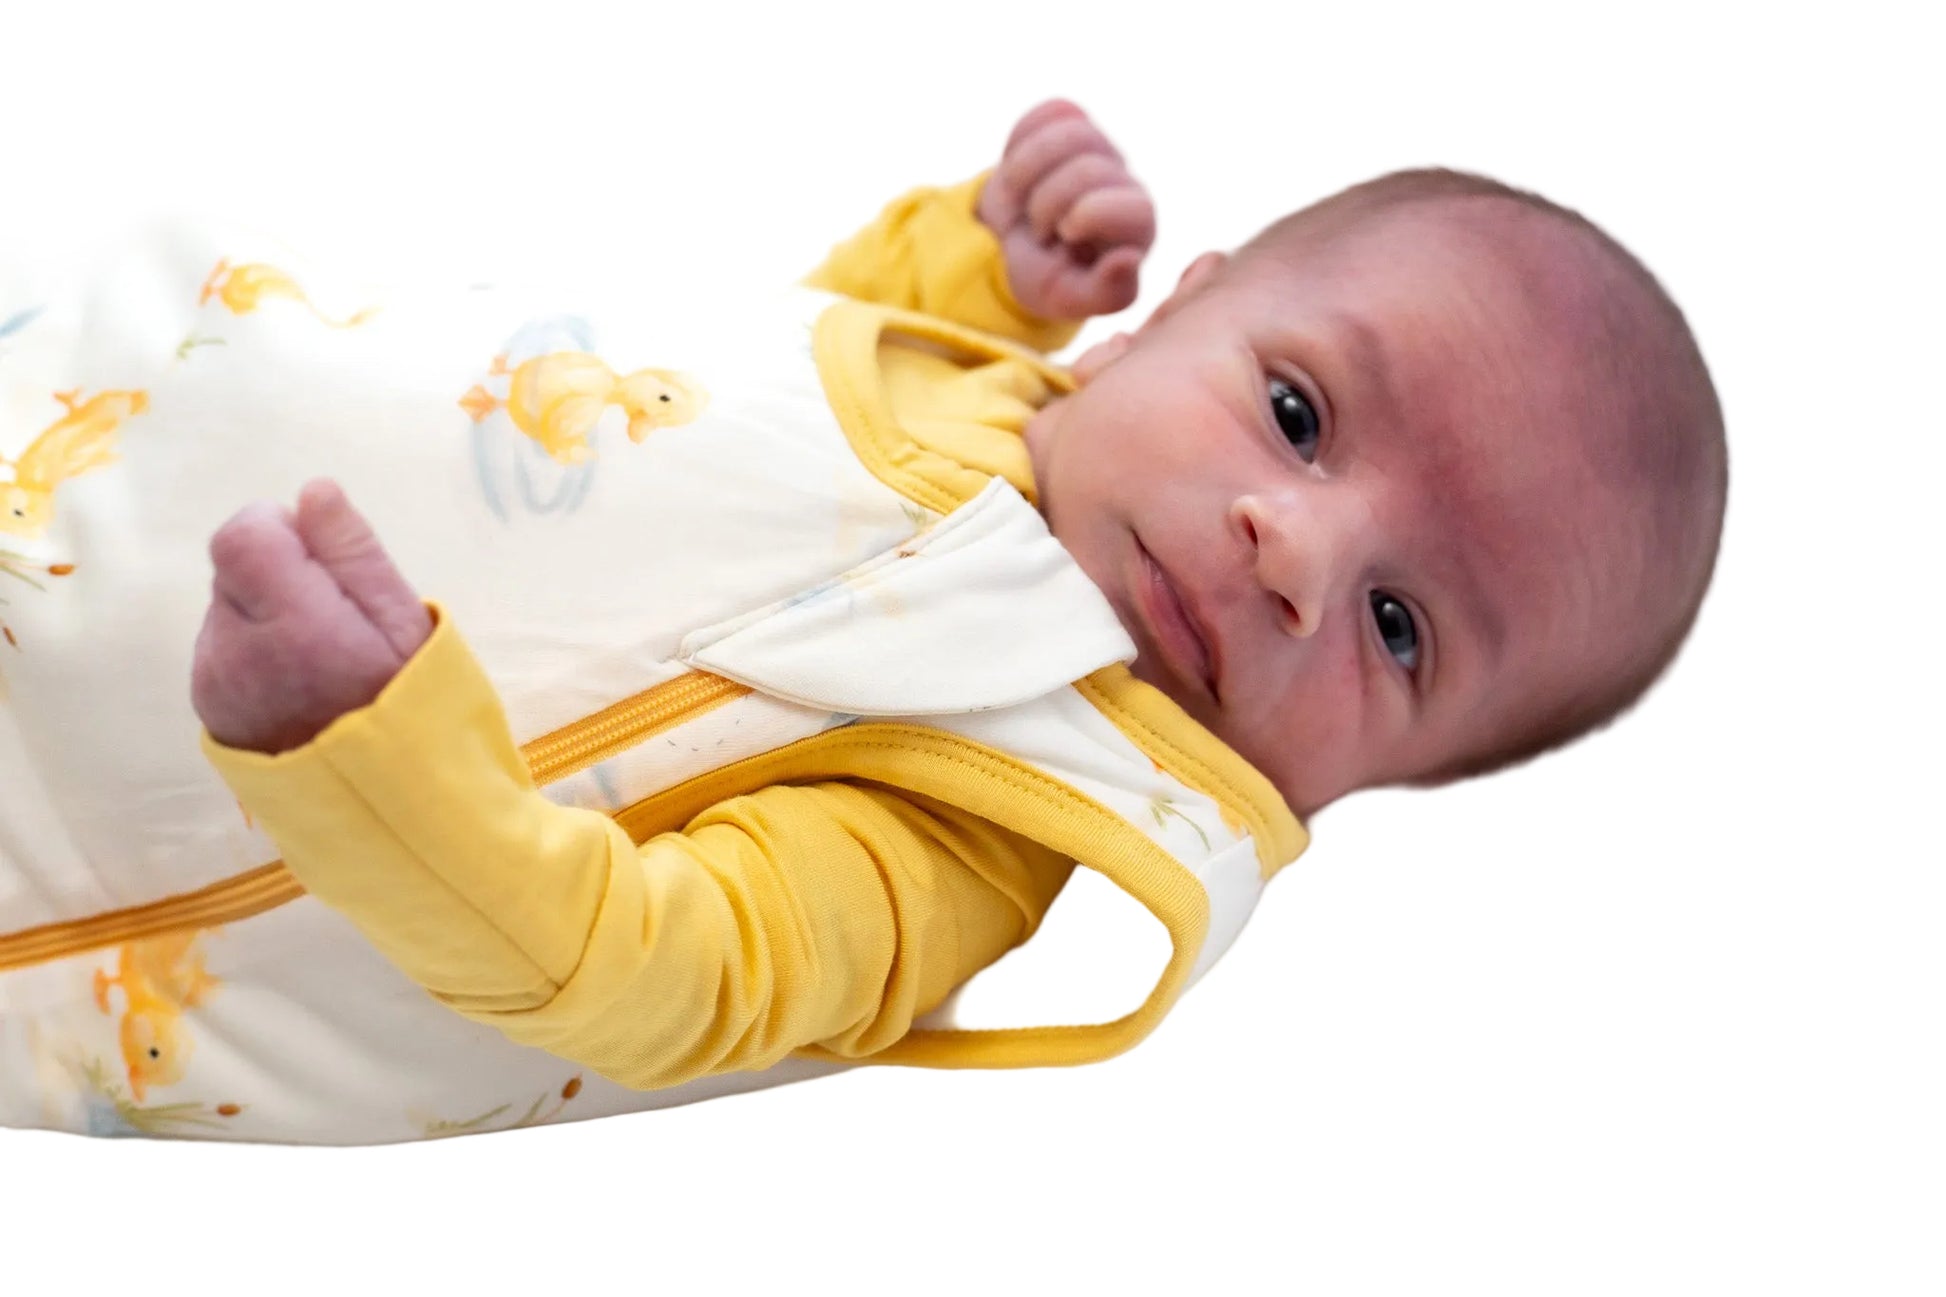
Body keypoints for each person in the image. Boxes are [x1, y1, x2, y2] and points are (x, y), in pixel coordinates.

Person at [0, 100, 1724, 1143]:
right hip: (126, 410)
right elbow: (752, 415)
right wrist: (965, 263)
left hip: (111, 833)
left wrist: (364, 755)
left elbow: (649, 972)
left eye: (1402, 628)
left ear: (1377, 787)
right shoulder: (1008, 411)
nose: (1299, 551)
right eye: (1294, 412)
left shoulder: (962, 840)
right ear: (1163, 322)